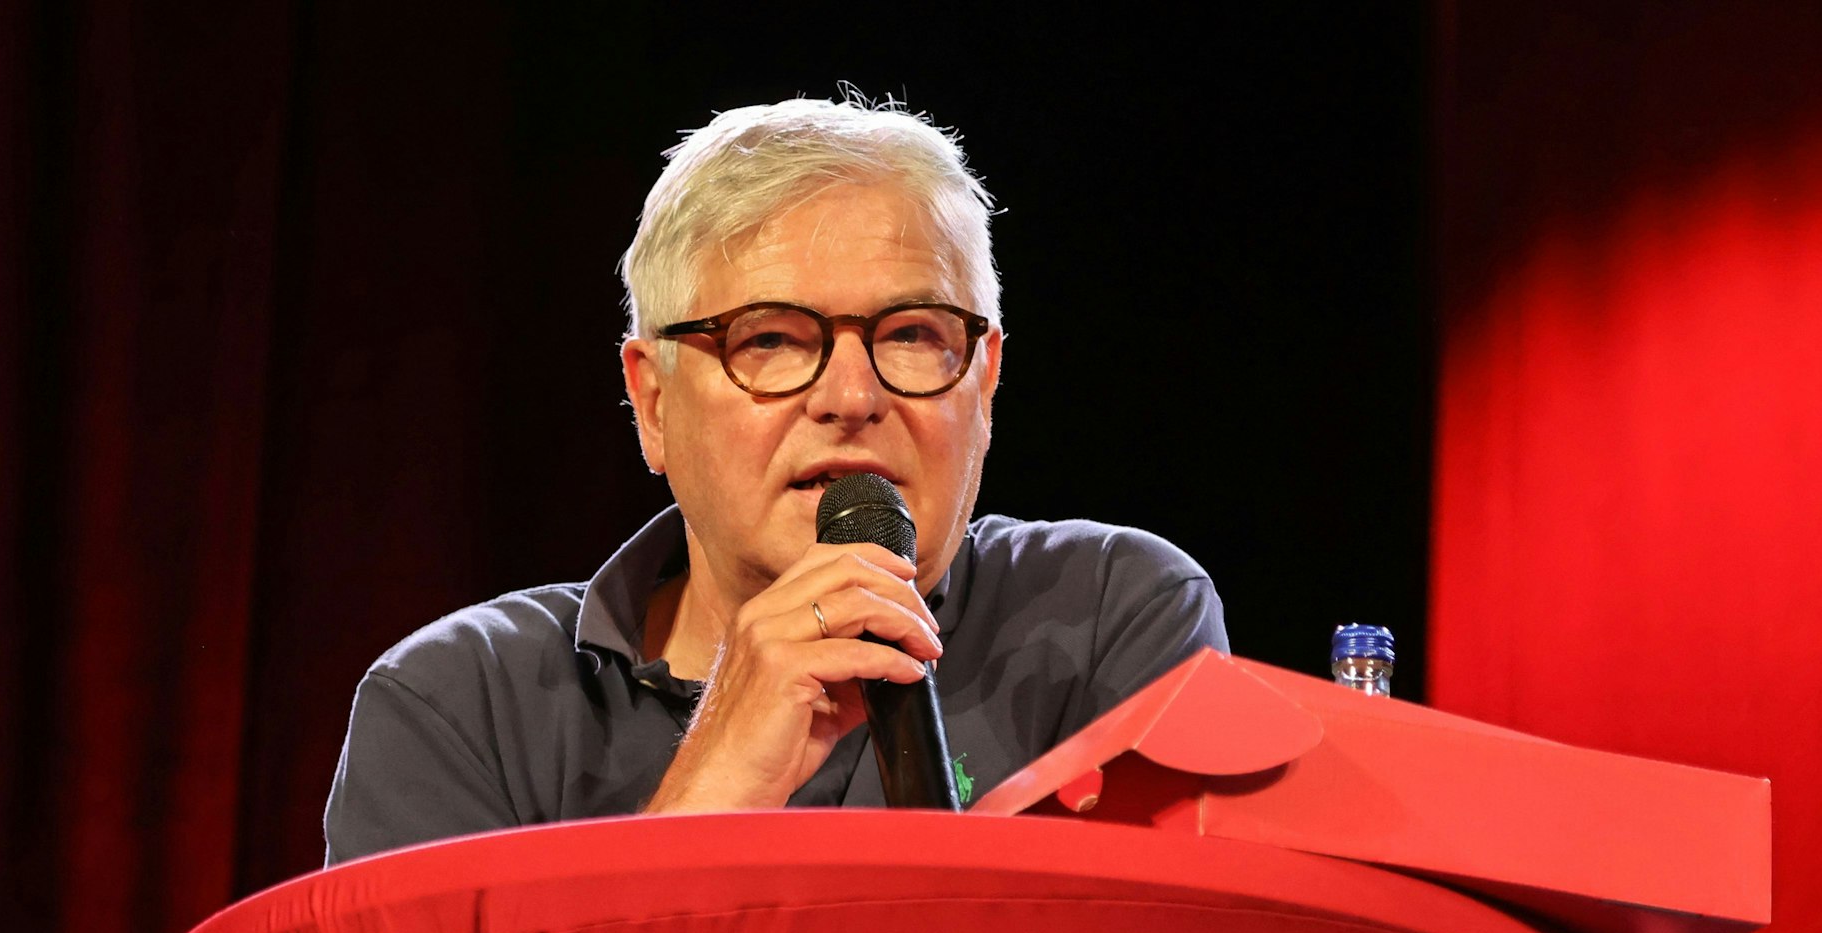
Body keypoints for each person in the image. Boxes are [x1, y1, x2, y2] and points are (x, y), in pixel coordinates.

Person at [323, 96, 1227, 865]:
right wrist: (713, 785)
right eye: (770, 339)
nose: (851, 395)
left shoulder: (1108, 616)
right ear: (653, 404)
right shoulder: (457, 705)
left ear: (985, 382)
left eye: (912, 333)